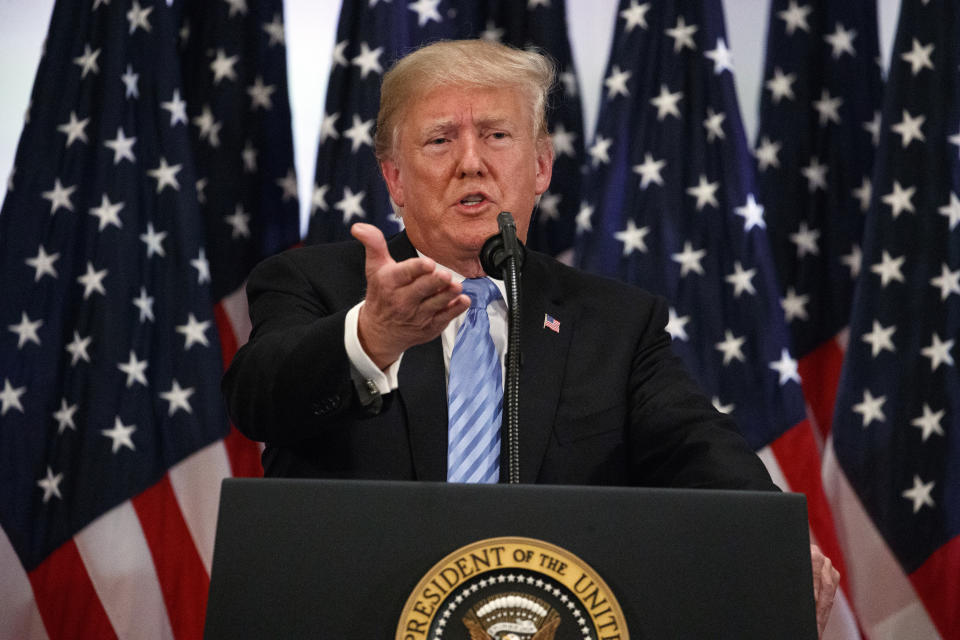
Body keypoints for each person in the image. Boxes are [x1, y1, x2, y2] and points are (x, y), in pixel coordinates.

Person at [221, 39, 838, 635]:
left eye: (496, 135)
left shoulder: (615, 324)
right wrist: (372, 337)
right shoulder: (313, 283)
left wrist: (776, 541)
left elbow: (700, 448)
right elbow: (256, 398)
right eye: (439, 140)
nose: (471, 161)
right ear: (395, 180)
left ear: (540, 165)